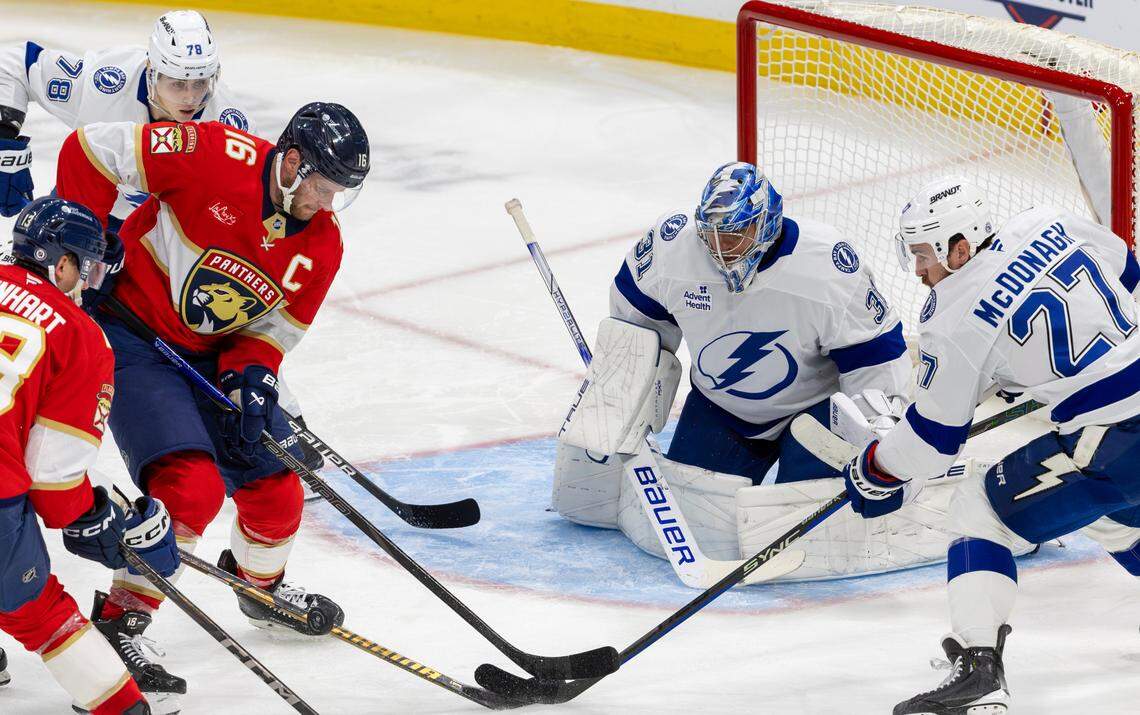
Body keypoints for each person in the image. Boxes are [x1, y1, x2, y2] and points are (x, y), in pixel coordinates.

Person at [51, 103, 369, 705]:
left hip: (209, 353)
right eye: (323, 188)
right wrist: (88, 248)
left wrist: (253, 376)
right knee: (189, 487)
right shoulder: (214, 154)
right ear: (294, 162)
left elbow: (273, 329)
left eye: (338, 194)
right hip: (130, 333)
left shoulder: (322, 246)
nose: (327, 205)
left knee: (278, 484)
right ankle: (121, 621)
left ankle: (262, 589)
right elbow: (89, 148)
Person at [552, 161, 963, 581]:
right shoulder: (672, 249)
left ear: (767, 224)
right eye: (711, 235)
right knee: (702, 520)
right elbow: (636, 329)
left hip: (814, 416)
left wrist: (883, 448)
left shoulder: (827, 266)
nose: (721, 247)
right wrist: (624, 385)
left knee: (804, 520)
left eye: (735, 234)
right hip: (721, 409)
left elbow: (874, 362)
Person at [834, 176, 1140, 714]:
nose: (920, 271)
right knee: (1096, 511)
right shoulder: (1046, 219)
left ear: (960, 245)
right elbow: (1130, 276)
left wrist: (875, 470)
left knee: (981, 507)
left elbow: (932, 442)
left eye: (925, 254)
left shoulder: (953, 318)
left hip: (1114, 441)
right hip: (1118, 429)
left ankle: (980, 673)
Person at [0, 197, 179, 714]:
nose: (88, 282)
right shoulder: (80, 335)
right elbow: (55, 489)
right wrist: (97, 517)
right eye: (86, 266)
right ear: (60, 263)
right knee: (37, 609)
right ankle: (122, 707)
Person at [0, 10, 252, 226]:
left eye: (199, 83)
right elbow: (14, 65)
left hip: (165, 239)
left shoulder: (229, 125)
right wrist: (5, 144)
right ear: (152, 73)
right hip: (83, 211)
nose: (190, 98)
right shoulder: (106, 85)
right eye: (178, 84)